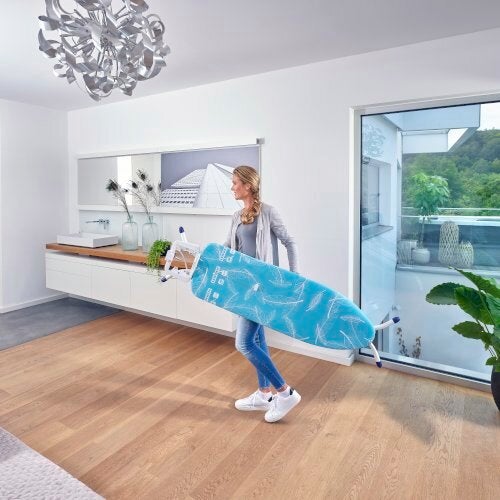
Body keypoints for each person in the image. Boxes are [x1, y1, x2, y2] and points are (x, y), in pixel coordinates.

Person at [224, 165, 301, 423]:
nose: (232, 187)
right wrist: (205, 258)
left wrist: (293, 277)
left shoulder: (268, 212)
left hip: (264, 288)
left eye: (235, 183)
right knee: (258, 338)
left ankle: (285, 392)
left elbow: (290, 241)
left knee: (244, 343)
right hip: (245, 288)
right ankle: (263, 393)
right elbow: (228, 248)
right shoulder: (236, 216)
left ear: (248, 185)